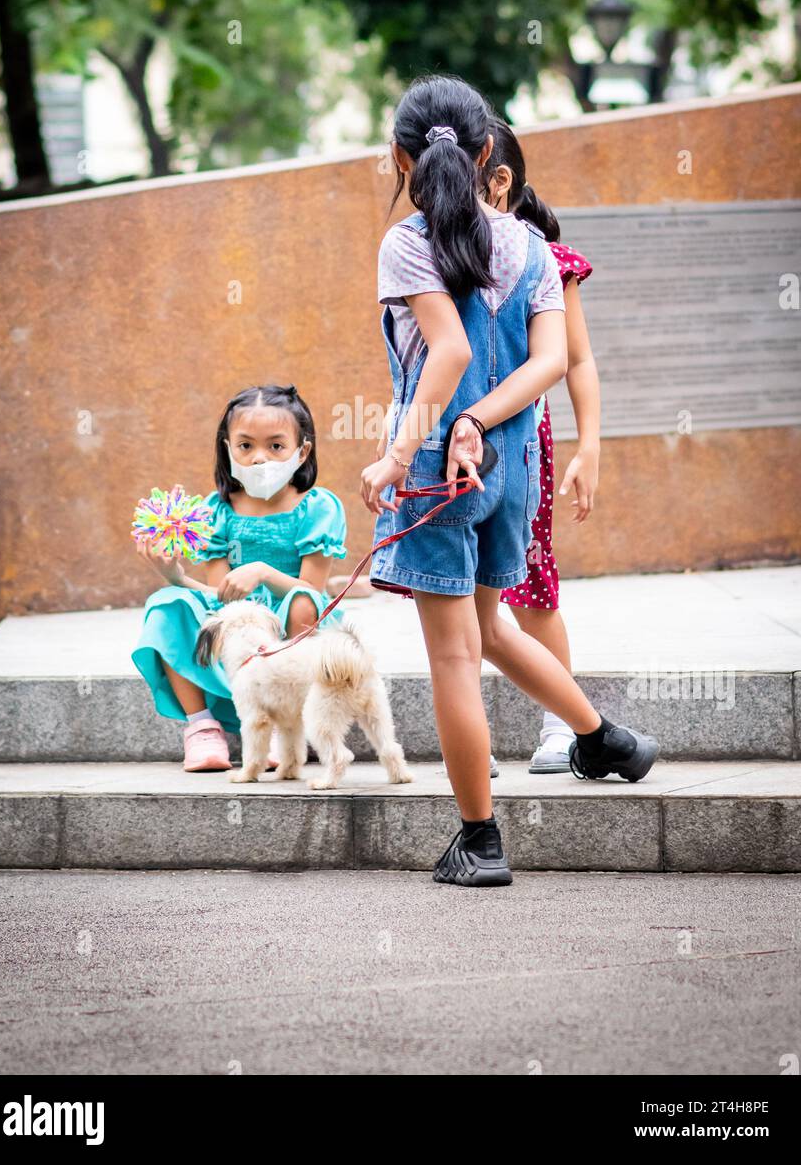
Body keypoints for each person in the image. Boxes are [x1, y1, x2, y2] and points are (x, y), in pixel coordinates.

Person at [360, 74, 659, 888]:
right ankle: (604, 739)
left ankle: (480, 840)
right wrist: (483, 423)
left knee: (454, 657)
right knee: (491, 633)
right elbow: (552, 363)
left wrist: (398, 455)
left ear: (399, 157)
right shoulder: (529, 244)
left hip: (437, 472)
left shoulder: (407, 243)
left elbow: (449, 354)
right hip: (510, 467)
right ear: (489, 150)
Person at [132, 384, 347, 772]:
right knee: (167, 603)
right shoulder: (219, 511)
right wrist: (175, 576)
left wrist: (263, 572)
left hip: (292, 627)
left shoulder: (317, 508)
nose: (259, 458)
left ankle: (290, 729)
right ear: (227, 448)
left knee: (303, 602)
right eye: (245, 446)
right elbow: (220, 598)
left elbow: (314, 592)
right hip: (237, 629)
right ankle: (202, 730)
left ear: (303, 451)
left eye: (276, 446)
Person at [482, 115, 600, 774]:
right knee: (455, 589)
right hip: (454, 444)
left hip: (524, 443)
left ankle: (565, 724)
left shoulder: (547, 260)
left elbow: (575, 360)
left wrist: (592, 446)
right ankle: (466, 728)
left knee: (531, 585)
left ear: (499, 183)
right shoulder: (440, 254)